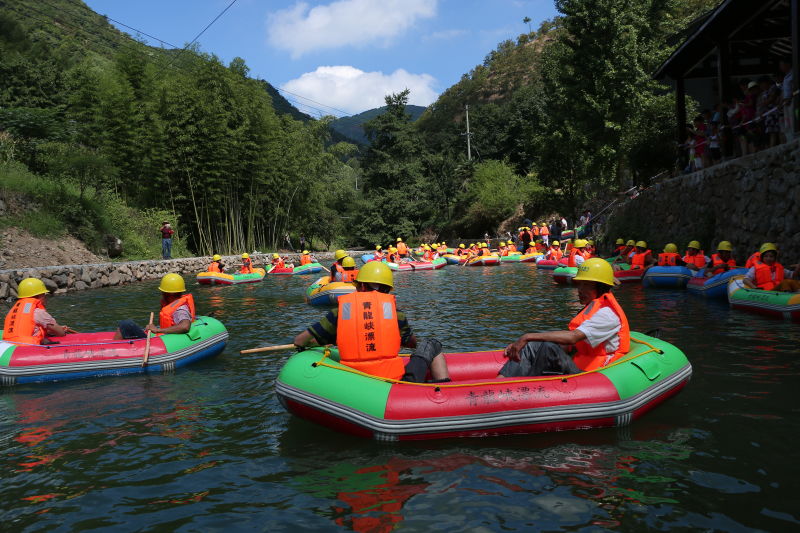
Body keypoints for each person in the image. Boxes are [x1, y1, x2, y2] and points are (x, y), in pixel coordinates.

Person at [293, 262, 450, 382]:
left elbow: (299, 341)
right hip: (393, 382)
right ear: (387, 289)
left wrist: (332, 339)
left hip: (353, 381)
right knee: (431, 344)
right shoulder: (396, 314)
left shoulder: (340, 312)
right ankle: (442, 392)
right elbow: (411, 343)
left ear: (361, 285)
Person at [498, 258, 629, 377]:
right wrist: (524, 343)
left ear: (601, 287)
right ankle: (499, 384)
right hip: (581, 367)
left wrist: (527, 336)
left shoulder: (607, 314)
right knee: (532, 346)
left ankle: (525, 389)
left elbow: (573, 337)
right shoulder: (591, 309)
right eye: (579, 284)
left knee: (548, 348)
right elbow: (569, 345)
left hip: (595, 375)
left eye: (586, 285)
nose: (580, 290)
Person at [114, 273, 195, 339]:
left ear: (169, 294)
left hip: (162, 342)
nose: (162, 295)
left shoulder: (180, 310)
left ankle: (115, 348)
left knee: (127, 324)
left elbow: (185, 326)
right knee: (125, 326)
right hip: (162, 338)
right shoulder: (172, 305)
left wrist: (157, 330)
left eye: (163, 292)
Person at [3, 278, 75, 345]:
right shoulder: (39, 313)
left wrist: (51, 330)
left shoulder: (13, 311)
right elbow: (61, 333)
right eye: (44, 295)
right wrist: (60, 329)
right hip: (27, 346)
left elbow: (28, 329)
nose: (46, 298)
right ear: (39, 296)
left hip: (10, 345)